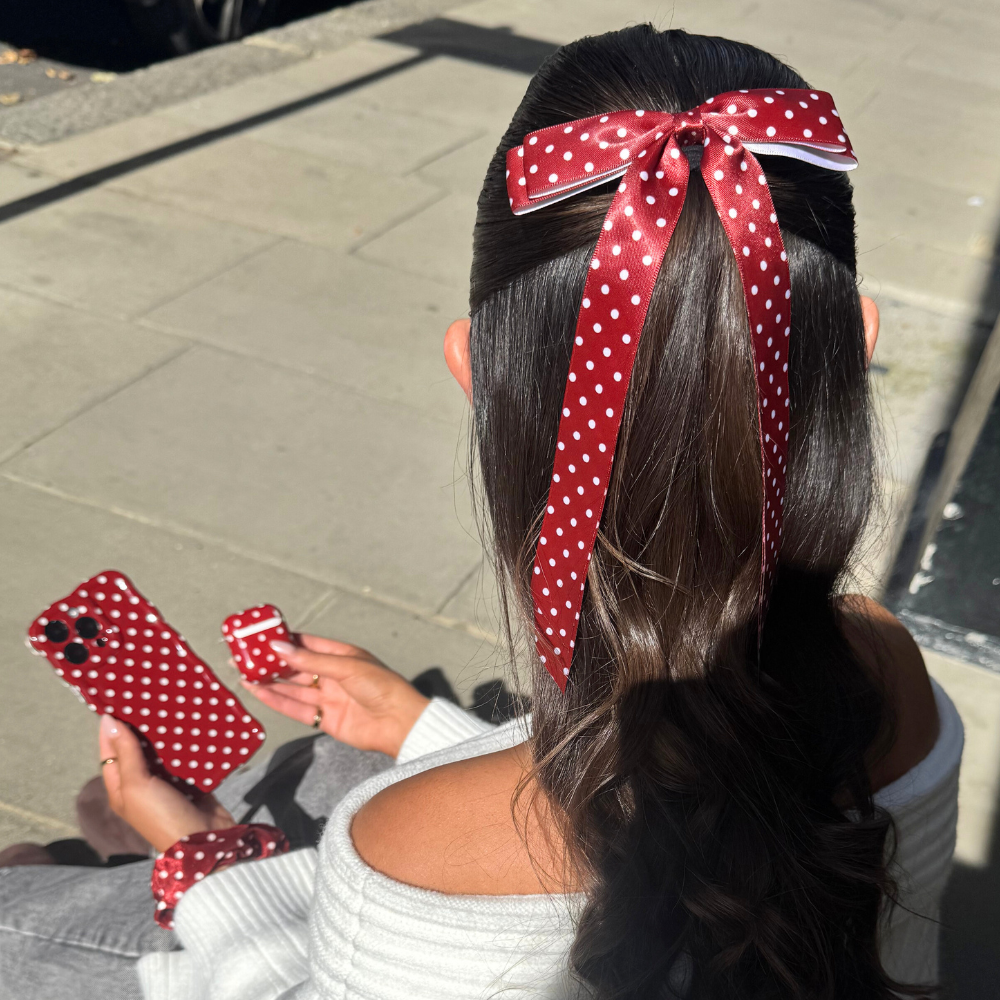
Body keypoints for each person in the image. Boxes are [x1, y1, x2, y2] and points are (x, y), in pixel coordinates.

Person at [0, 25, 962, 1000]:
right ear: (857, 345)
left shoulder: (406, 853)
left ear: (472, 369)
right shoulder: (895, 680)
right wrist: (421, 731)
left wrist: (203, 858)